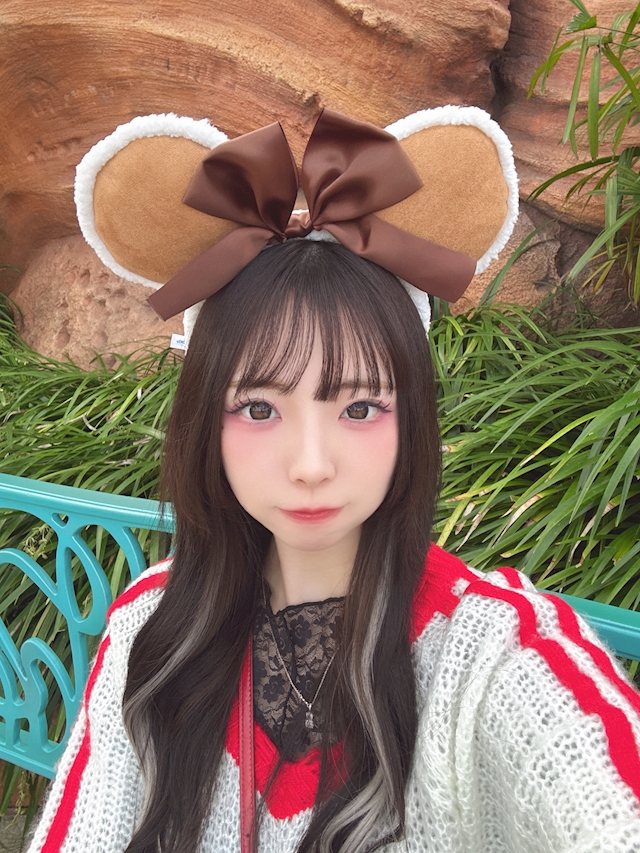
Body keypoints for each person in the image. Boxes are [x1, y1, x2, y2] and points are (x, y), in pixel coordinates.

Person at [28, 110, 640, 853]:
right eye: (260, 408)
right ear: (204, 418)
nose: (311, 463)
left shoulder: (490, 655)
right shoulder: (155, 628)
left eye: (359, 407)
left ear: (411, 415)